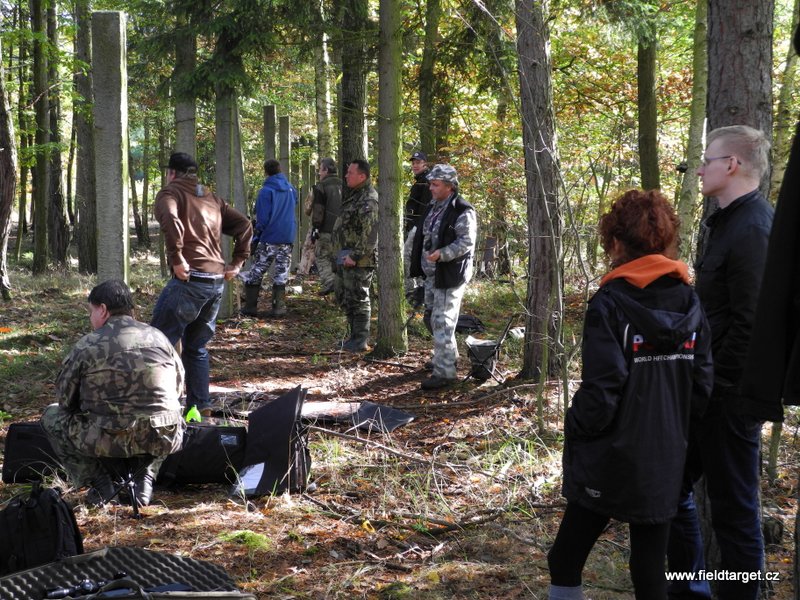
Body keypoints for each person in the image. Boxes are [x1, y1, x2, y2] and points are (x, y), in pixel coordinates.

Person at [548, 190, 714, 600]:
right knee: (648, 568)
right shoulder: (690, 301)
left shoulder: (610, 303)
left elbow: (602, 391)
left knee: (565, 559)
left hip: (610, 456)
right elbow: (702, 386)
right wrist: (683, 446)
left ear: (617, 242)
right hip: (665, 456)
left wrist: (576, 429)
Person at [667, 125, 774, 600]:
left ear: (731, 165)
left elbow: (754, 323)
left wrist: (720, 384)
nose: (699, 170)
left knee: (734, 513)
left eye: (706, 161)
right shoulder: (730, 223)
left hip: (729, 396)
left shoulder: (753, 229)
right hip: (709, 391)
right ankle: (690, 590)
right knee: (669, 489)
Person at [41, 280, 185, 508]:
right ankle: (145, 477)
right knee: (167, 415)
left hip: (108, 437)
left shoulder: (87, 345)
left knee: (52, 415)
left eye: (91, 311)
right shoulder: (160, 338)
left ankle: (100, 483)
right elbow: (178, 390)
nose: (91, 318)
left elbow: (65, 400)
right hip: (161, 435)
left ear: (103, 309)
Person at [151, 152, 252, 416]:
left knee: (156, 344)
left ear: (172, 173)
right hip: (215, 283)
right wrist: (237, 263)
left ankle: (156, 407)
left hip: (190, 282)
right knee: (196, 348)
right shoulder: (212, 199)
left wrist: (177, 258)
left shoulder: (170, 193)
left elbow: (170, 218)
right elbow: (244, 224)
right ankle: (199, 406)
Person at [409, 164, 477, 390]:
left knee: (443, 322)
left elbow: (466, 242)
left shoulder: (462, 210)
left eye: (435, 184)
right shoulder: (433, 206)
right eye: (430, 184)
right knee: (430, 318)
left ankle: (445, 374)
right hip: (431, 275)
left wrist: (442, 254)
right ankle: (447, 356)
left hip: (449, 275)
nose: (430, 188)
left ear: (450, 187)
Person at [242, 159, 298, 317]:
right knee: (282, 271)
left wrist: (256, 235)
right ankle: (278, 308)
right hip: (287, 235)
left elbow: (263, 218)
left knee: (257, 270)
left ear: (266, 172)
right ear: (280, 170)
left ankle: (250, 307)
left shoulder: (266, 191)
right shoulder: (291, 189)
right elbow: (295, 203)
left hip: (270, 236)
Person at [333, 159, 379, 352]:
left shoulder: (368, 199)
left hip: (360, 259)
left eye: (350, 173)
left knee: (359, 297)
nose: (346, 176)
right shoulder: (356, 196)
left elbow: (371, 234)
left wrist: (356, 256)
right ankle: (353, 337)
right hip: (347, 254)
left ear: (362, 176)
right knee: (347, 297)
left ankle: (360, 340)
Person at [311, 157, 343, 296]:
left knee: (321, 255)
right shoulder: (344, 184)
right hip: (343, 230)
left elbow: (318, 210)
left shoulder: (322, 186)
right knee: (340, 258)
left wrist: (315, 228)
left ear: (326, 170)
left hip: (327, 229)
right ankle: (341, 287)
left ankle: (330, 282)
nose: (319, 173)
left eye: (320, 169)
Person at [403, 151, 432, 300]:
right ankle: (417, 290)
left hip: (420, 227)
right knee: (415, 257)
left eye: (418, 162)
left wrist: (417, 227)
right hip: (415, 226)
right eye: (413, 163)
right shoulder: (420, 181)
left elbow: (425, 208)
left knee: (409, 256)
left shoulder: (427, 182)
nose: (415, 165)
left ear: (425, 164)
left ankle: (415, 291)